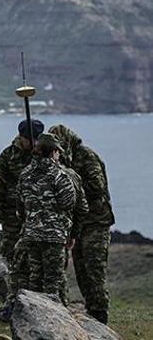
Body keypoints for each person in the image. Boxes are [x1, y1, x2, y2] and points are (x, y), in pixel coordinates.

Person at [49, 124, 115, 324]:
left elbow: (97, 188)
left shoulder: (87, 157)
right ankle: (91, 309)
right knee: (81, 269)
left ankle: (99, 312)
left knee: (94, 268)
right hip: (78, 224)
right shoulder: (63, 160)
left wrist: (71, 185)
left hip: (96, 222)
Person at [16, 132, 77, 300]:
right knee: (53, 281)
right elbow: (68, 203)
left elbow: (20, 203)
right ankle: (53, 320)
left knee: (35, 278)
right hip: (53, 235)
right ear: (53, 152)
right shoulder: (59, 175)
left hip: (31, 233)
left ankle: (33, 313)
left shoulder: (25, 174)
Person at [0, 119, 45, 262]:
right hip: (12, 214)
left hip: (39, 215)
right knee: (10, 255)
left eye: (37, 140)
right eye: (29, 140)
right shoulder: (8, 156)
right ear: (21, 137)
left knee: (36, 258)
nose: (34, 144)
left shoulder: (46, 156)